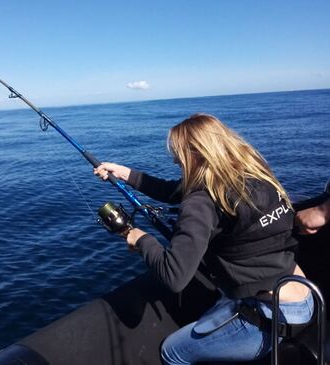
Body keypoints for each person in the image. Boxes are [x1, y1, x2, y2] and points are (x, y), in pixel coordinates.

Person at [94, 114, 314, 364]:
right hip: (305, 297)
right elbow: (176, 191)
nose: (176, 159)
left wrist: (139, 237)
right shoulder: (253, 174)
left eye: (178, 152)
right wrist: (124, 173)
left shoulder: (201, 200)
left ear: (196, 153)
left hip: (269, 319)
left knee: (171, 352)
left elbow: (174, 276)